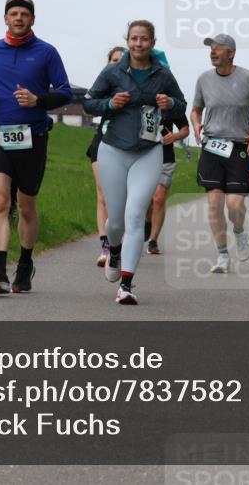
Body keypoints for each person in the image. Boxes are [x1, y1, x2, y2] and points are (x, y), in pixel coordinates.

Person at [0, 0, 73, 295]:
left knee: (26, 205)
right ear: (5, 19)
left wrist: (38, 100)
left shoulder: (47, 52)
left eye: (24, 14)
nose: (18, 18)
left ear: (32, 20)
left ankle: (26, 263)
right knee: (1, 200)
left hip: (33, 136)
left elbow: (65, 92)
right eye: (13, 14)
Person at [83, 20, 186, 304]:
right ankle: (113, 249)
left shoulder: (163, 74)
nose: (138, 44)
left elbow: (181, 106)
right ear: (127, 41)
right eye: (134, 39)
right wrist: (110, 104)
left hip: (148, 151)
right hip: (113, 150)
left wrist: (170, 105)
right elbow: (89, 102)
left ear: (152, 43)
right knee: (115, 219)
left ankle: (126, 285)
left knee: (136, 214)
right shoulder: (113, 71)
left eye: (144, 39)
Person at [191, 33, 249, 273]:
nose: (213, 52)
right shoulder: (203, 79)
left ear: (231, 53)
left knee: (234, 205)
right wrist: (196, 124)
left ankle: (239, 231)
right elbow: (196, 109)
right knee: (214, 203)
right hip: (212, 145)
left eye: (218, 48)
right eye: (211, 48)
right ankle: (223, 255)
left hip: (239, 147)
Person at [88, 46, 125, 267]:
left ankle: (119, 242)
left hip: (129, 146)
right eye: (113, 60)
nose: (117, 63)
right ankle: (105, 246)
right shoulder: (104, 84)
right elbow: (90, 106)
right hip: (102, 141)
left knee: (122, 201)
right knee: (103, 195)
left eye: (122, 60)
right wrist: (109, 103)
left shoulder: (136, 84)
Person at [146, 107, 190, 255]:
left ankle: (153, 240)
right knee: (146, 199)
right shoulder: (141, 99)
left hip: (166, 158)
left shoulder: (171, 104)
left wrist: (175, 136)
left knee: (159, 198)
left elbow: (185, 129)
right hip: (142, 156)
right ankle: (147, 221)